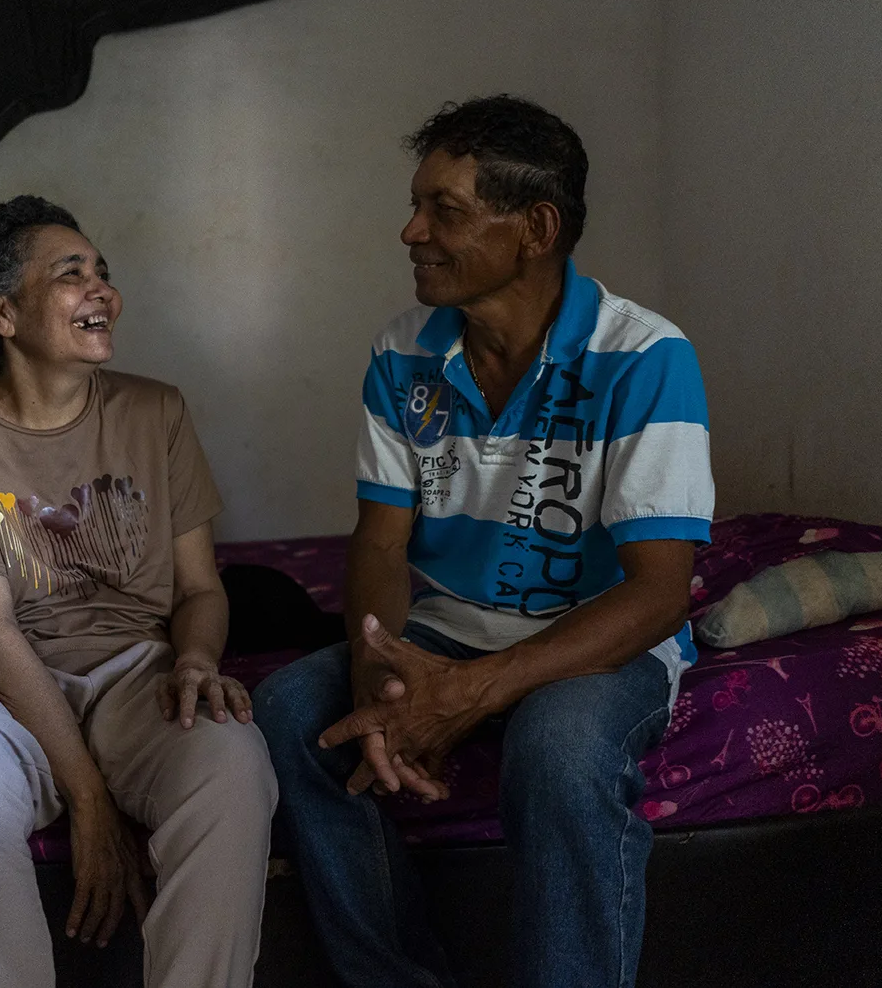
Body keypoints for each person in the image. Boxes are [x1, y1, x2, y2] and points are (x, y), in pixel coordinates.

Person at [255, 96, 714, 988]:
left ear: (535, 228)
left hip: (598, 638)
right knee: (291, 714)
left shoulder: (646, 355)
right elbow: (382, 545)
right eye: (416, 203)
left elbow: (659, 591)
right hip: (447, 624)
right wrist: (381, 681)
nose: (410, 230)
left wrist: (469, 694)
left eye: (445, 210)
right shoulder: (404, 354)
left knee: (560, 750)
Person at [0, 195, 277, 988]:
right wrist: (90, 800)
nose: (103, 290)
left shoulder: (155, 409)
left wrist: (196, 659)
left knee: (233, 765)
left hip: (136, 671)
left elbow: (200, 587)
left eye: (103, 272)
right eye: (72, 274)